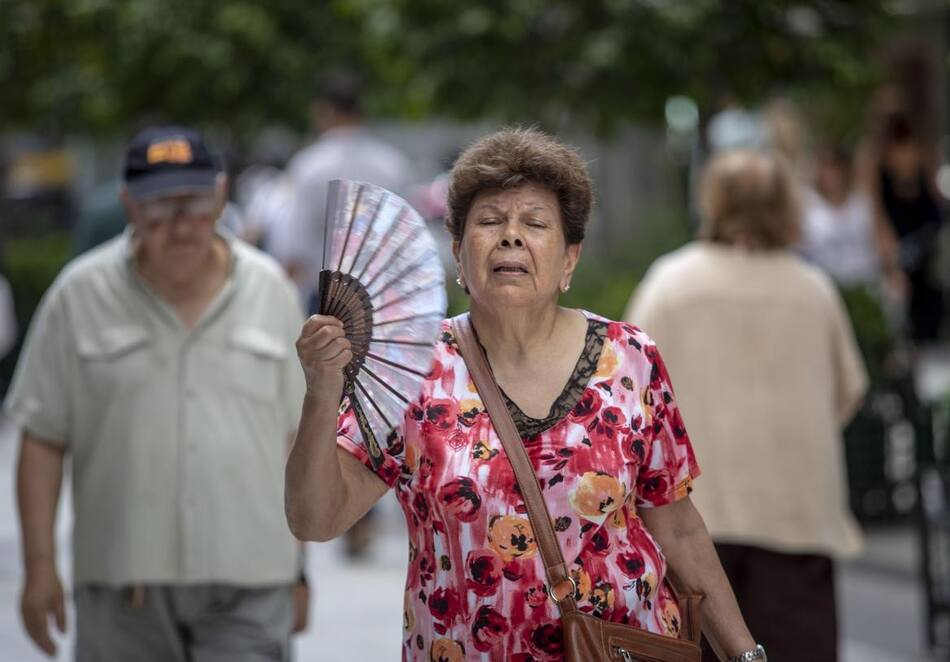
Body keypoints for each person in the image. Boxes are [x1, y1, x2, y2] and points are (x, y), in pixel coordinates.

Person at [286, 128, 766, 661]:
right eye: (490, 222)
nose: (510, 236)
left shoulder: (630, 358)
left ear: (568, 261)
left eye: (535, 224)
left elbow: (676, 524)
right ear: (458, 255)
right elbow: (315, 519)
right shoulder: (415, 370)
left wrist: (746, 654)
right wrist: (322, 389)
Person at [7, 126, 309, 661]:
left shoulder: (271, 291)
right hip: (123, 595)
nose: (179, 224)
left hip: (251, 586)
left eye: (193, 203)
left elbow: (295, 440)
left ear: (219, 199)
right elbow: (42, 436)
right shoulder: (79, 295)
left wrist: (300, 569)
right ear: (128, 205)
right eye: (159, 206)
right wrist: (39, 567)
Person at [625, 150, 869, 662]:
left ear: (712, 202)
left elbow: (628, 393)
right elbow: (849, 392)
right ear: (786, 206)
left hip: (695, 522)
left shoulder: (671, 282)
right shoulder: (813, 289)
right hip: (796, 515)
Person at [274, 70, 415, 310]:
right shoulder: (393, 165)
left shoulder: (309, 165)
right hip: (385, 296)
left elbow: (293, 246)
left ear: (323, 110)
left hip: (328, 297)